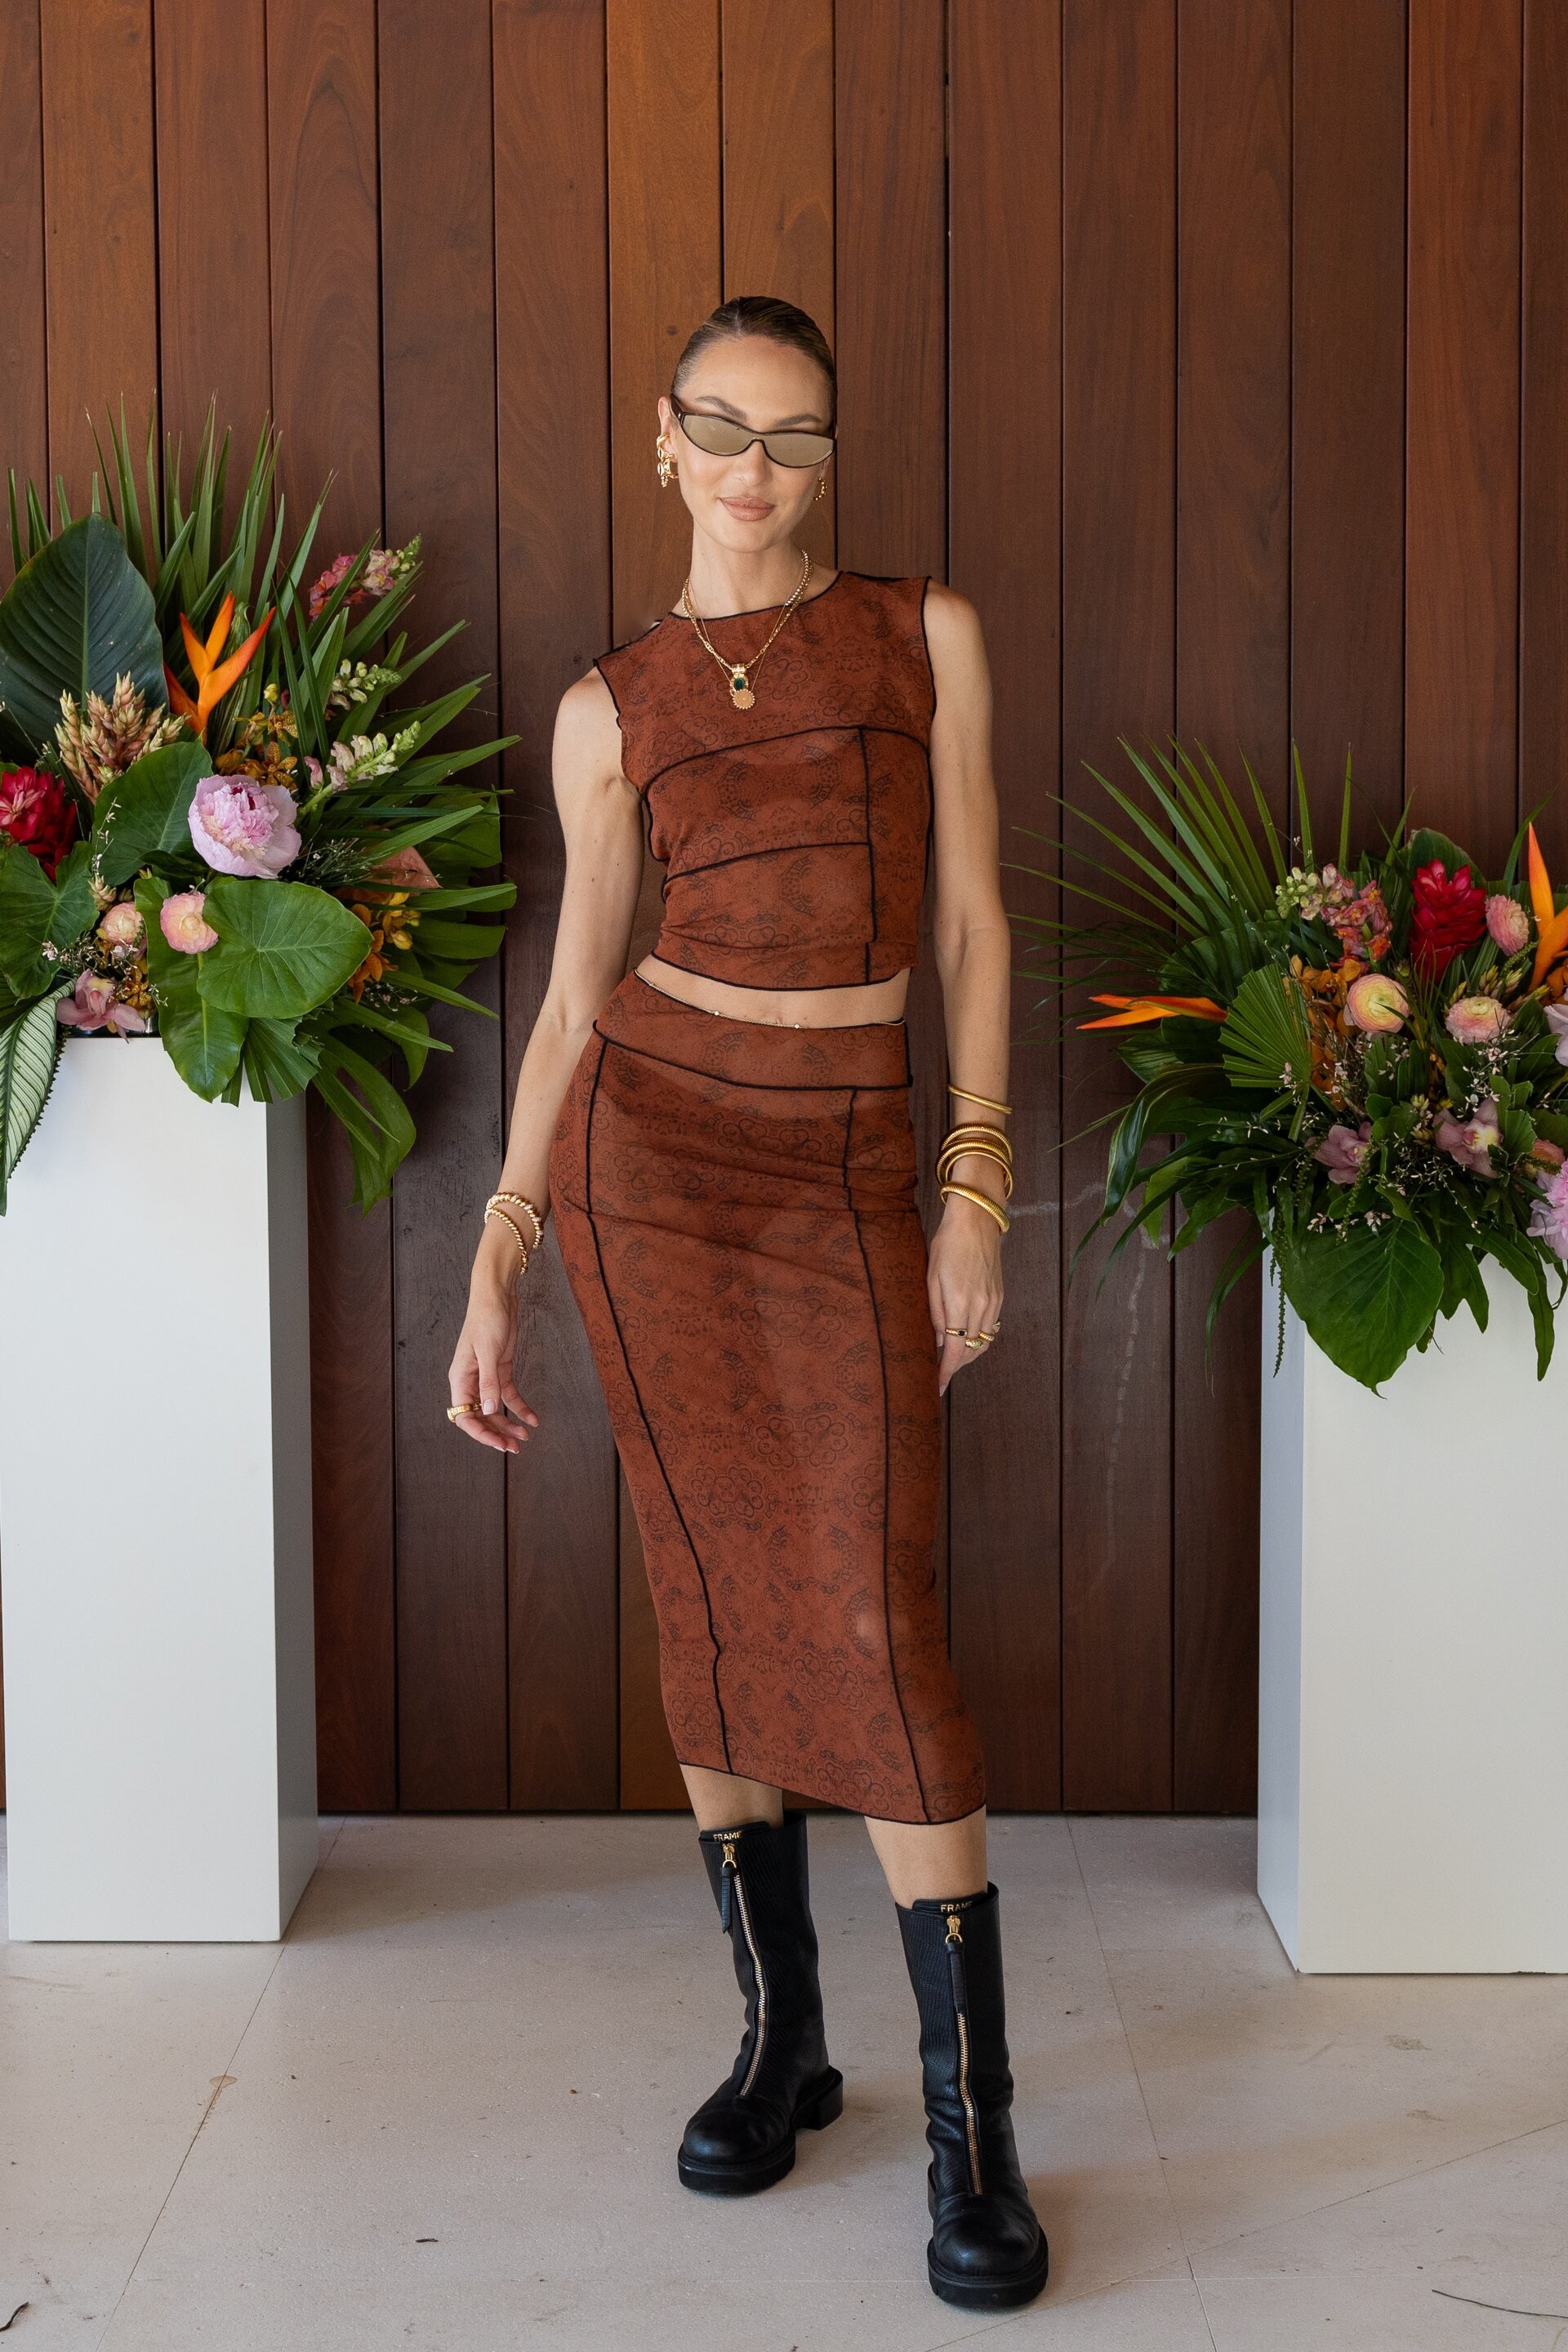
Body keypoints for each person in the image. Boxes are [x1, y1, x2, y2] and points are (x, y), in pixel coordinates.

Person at [448, 296, 1047, 2314]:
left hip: (849, 1162)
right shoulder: (608, 706)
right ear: (664, 439)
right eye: (722, 428)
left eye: (794, 436)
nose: (756, 471)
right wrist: (504, 1246)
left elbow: (972, 923)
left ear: (830, 457)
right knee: (707, 1596)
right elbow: (571, 999)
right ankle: (783, 2044)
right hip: (655, 1171)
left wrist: (976, 1181)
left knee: (876, 1615)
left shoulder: (921, 636)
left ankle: (977, 2135)